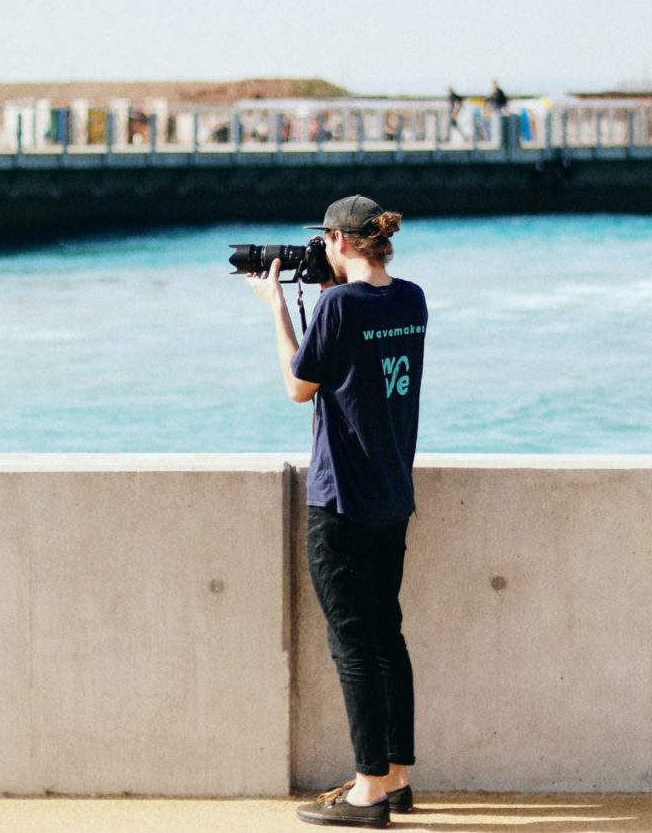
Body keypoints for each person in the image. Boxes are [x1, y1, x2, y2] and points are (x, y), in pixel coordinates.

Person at [247, 194, 424, 828]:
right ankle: (398, 775)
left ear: (342, 242)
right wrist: (327, 284)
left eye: (324, 241)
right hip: (391, 496)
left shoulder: (336, 305)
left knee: (351, 644)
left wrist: (276, 310)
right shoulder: (412, 298)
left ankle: (368, 790)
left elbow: (300, 386)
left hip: (341, 501)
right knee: (386, 637)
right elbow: (363, 360)